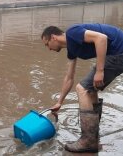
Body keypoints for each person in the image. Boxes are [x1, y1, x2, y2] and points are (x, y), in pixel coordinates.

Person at [41, 23, 123, 153]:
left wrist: (100, 71)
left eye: (46, 44)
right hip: (116, 53)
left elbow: (101, 38)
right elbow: (69, 78)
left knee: (82, 89)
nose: (48, 49)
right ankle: (93, 139)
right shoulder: (72, 50)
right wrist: (59, 102)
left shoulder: (72, 32)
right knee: (90, 90)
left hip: (119, 51)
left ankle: (88, 141)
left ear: (53, 37)